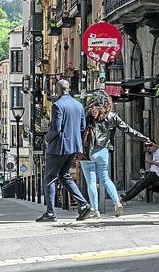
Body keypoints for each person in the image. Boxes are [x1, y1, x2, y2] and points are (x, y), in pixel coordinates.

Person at [81, 91, 150, 217]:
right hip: (103, 151)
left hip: (87, 152)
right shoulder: (112, 116)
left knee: (91, 182)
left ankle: (95, 210)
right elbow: (128, 129)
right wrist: (144, 138)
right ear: (107, 102)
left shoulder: (87, 114)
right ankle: (117, 202)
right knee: (105, 178)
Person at [36, 79, 95, 222]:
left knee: (50, 178)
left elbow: (56, 128)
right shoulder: (78, 105)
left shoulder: (57, 105)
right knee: (64, 176)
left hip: (59, 147)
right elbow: (82, 127)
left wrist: (47, 139)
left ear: (58, 89)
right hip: (74, 147)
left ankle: (50, 213)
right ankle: (84, 205)